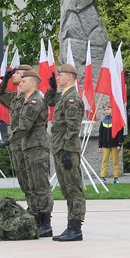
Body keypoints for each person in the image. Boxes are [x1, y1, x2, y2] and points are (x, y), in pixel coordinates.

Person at [0, 64, 52, 235]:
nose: (20, 83)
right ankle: (35, 215)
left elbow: (25, 126)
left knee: (40, 184)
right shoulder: (21, 98)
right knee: (28, 183)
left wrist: (9, 139)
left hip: (34, 145)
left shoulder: (35, 100)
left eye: (23, 80)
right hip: (24, 144)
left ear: (32, 82)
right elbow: (1, 96)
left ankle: (45, 222)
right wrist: (5, 80)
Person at [46, 64, 87, 242]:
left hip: (67, 149)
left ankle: (76, 228)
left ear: (70, 77)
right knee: (66, 189)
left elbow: (73, 127)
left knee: (74, 189)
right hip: (59, 147)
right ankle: (71, 226)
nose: (58, 77)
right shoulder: (64, 96)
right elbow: (49, 101)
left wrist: (69, 151)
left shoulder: (72, 99)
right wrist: (53, 89)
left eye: (60, 75)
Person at [97, 98, 124, 185]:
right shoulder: (102, 121)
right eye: (105, 110)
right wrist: (100, 146)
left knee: (115, 162)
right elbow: (101, 134)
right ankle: (103, 177)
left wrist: (119, 144)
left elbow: (120, 133)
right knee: (104, 161)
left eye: (108, 109)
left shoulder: (116, 120)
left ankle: (116, 178)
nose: (107, 111)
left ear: (112, 109)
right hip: (105, 145)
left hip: (114, 145)